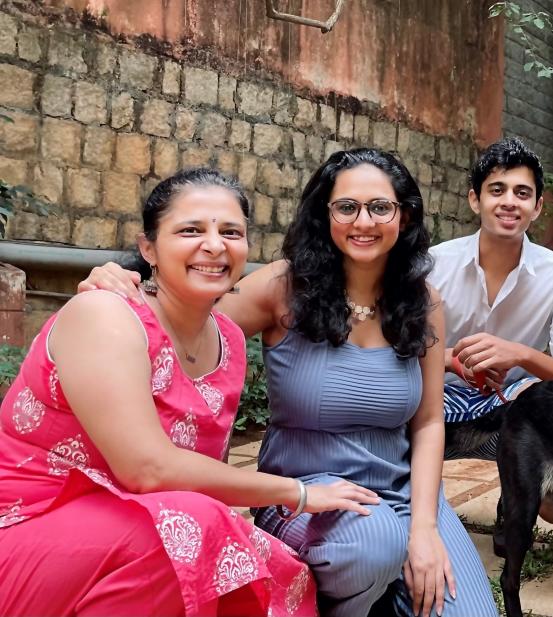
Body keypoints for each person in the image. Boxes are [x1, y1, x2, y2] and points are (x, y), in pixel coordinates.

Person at [77, 150, 498, 617]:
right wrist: (127, 281)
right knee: (373, 547)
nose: (365, 221)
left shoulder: (424, 301)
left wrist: (424, 530)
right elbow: (181, 318)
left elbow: (429, 422)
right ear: (326, 214)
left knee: (465, 606)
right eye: (347, 207)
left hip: (406, 494)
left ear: (405, 215)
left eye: (381, 207)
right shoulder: (283, 288)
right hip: (305, 495)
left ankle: (385, 585)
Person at [0, 168, 382, 617]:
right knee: (190, 531)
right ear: (148, 249)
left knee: (270, 564)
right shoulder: (105, 314)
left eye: (231, 232)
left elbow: (200, 474)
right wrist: (295, 492)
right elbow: (148, 469)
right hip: (31, 524)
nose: (215, 245)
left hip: (136, 527)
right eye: (191, 230)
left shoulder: (228, 339)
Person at [432, 137, 553, 462]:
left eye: (522, 193)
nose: (509, 202)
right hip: (432, 403)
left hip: (506, 412)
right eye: (497, 190)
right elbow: (394, 354)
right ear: (476, 200)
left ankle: (516, 495)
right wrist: (449, 360)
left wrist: (519, 355)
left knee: (549, 400)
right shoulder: (433, 265)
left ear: (538, 206)